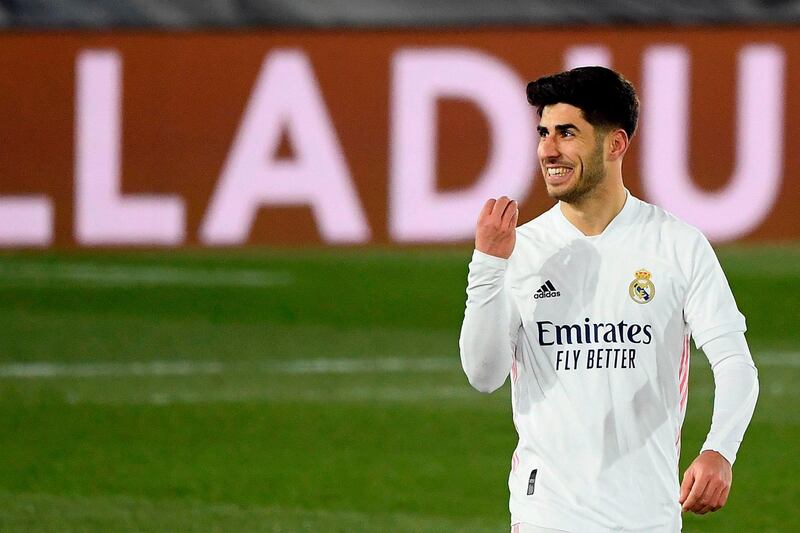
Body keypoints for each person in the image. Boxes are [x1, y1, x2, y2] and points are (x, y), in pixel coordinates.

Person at [458, 66, 759, 533]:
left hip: (648, 518)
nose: (547, 150)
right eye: (543, 133)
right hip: (546, 517)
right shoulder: (522, 249)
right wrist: (489, 266)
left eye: (566, 133)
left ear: (615, 144)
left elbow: (735, 364)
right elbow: (483, 375)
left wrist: (720, 449)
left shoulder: (677, 245)